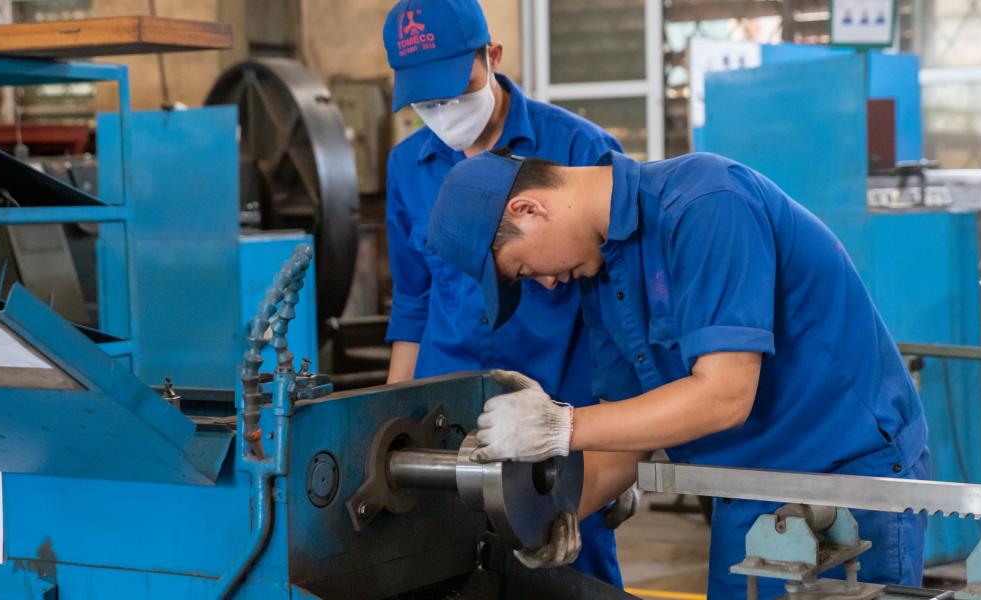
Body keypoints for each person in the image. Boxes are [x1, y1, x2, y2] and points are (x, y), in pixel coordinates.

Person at [424, 148, 931, 599]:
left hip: (847, 484)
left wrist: (557, 427)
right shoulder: (600, 273)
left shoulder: (707, 203)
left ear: (529, 209)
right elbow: (623, 440)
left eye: (526, 269)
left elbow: (725, 396)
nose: (548, 283)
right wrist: (553, 520)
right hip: (744, 494)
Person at [381, 0, 629, 584]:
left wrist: (619, 458)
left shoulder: (580, 152)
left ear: (492, 55)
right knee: (447, 576)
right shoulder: (407, 165)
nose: (441, 111)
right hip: (446, 432)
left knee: (570, 574)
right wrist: (389, 422)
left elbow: (619, 321)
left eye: (453, 88)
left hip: (558, 427)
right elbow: (413, 302)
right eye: (425, 98)